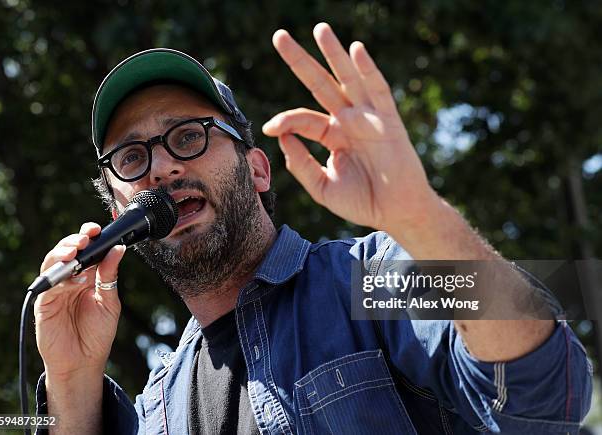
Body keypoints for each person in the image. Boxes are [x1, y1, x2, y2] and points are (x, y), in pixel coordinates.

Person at [34, 23, 591, 434]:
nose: (162, 168)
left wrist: (422, 217)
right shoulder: (159, 402)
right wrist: (72, 377)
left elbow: (544, 385)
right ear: (119, 217)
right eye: (132, 158)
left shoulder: (369, 280)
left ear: (255, 170)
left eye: (187, 137)